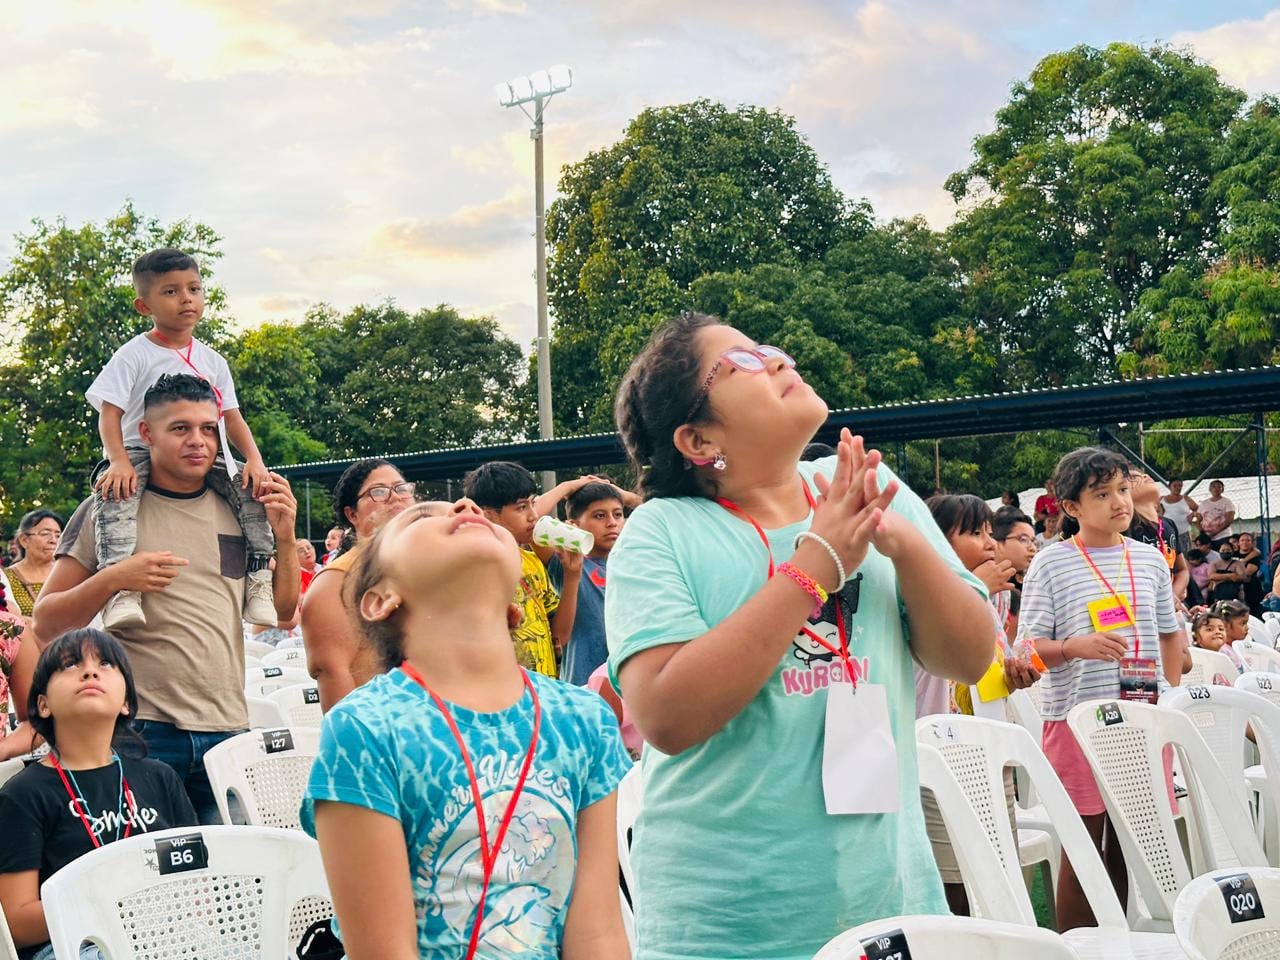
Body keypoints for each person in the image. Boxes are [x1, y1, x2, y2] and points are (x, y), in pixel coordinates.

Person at [606, 313, 992, 959]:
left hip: (886, 900)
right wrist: (818, 562)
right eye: (741, 363)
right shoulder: (663, 531)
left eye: (769, 350)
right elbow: (666, 714)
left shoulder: (873, 491)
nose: (778, 361)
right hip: (729, 920)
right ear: (699, 441)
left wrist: (907, 550)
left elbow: (970, 658)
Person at [303, 498, 631, 959]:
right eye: (422, 518)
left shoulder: (584, 720)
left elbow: (597, 933)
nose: (464, 505)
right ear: (381, 600)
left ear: (515, 601)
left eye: (472, 507)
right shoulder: (366, 728)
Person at [33, 374, 300, 823]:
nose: (198, 441)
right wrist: (115, 577)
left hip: (228, 729)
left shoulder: (240, 509)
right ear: (146, 434)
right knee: (147, 883)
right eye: (180, 428)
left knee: (231, 879)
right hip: (141, 731)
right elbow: (46, 622)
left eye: (208, 428)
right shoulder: (109, 507)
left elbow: (285, 612)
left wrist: (287, 538)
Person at [1020, 447, 1183, 931]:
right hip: (1075, 722)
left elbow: (1170, 633)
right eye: (1102, 494)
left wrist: (1169, 696)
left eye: (1123, 490)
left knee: (1130, 840)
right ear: (1071, 507)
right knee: (1084, 843)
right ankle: (1077, 946)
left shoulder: (1151, 560)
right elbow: (1025, 649)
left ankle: (1116, 939)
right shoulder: (1052, 564)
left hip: (1141, 720)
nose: (1120, 503)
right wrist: (1074, 646)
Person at [87, 249, 275, 632]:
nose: (186, 298)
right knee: (115, 499)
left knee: (253, 491)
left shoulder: (213, 361)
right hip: (142, 452)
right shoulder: (134, 356)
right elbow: (110, 413)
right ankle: (121, 588)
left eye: (194, 288)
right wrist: (118, 460)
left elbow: (231, 417)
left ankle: (258, 579)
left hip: (207, 454)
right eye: (170, 292)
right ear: (144, 305)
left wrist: (253, 460)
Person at [0, 629, 197, 960]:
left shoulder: (161, 777)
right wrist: (115, 898)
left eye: (106, 663)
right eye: (70, 665)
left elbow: (198, 881)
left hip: (167, 931)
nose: (90, 671)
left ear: (126, 703)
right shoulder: (23, 794)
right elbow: (16, 924)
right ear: (43, 705)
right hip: (76, 943)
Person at [918, 494, 1039, 916]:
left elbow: (985, 668)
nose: (990, 544)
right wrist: (974, 589)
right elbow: (939, 652)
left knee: (1000, 865)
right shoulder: (918, 595)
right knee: (956, 882)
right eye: (973, 533)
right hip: (940, 759)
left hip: (987, 750)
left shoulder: (990, 597)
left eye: (990, 532)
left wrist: (1013, 674)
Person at [462, 462, 603, 679]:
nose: (533, 516)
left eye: (531, 504)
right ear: (488, 515)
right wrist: (566, 487)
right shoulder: (470, 569)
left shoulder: (531, 561)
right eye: (521, 507)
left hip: (542, 694)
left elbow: (559, 636)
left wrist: (573, 574)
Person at [302, 459, 419, 711]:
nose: (394, 498)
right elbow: (338, 690)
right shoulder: (334, 583)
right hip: (384, 735)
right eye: (378, 491)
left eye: (401, 488)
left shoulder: (431, 564)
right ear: (352, 514)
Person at [549, 481, 628, 686]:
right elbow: (531, 526)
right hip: (582, 687)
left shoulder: (631, 562)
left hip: (627, 687)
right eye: (599, 516)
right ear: (573, 525)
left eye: (618, 514)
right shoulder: (568, 561)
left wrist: (623, 495)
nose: (612, 523)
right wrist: (569, 487)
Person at [2, 510, 63, 627]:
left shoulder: (68, 574)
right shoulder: (6, 579)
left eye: (58, 535)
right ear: (24, 540)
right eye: (45, 533)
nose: (53, 540)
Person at [992, 508, 1037, 641]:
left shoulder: (1007, 592)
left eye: (1033, 541)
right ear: (998, 543)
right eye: (1024, 540)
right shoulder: (975, 583)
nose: (1032, 548)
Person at [1191, 609, 1246, 677]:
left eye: (1221, 629)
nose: (1217, 632)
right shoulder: (1195, 657)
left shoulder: (1229, 654)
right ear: (1197, 637)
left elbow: (1239, 674)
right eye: (1210, 629)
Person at [1194, 480, 1236, 550]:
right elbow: (1198, 520)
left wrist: (1215, 532)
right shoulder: (1204, 503)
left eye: (1219, 487)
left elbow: (1229, 519)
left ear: (1222, 490)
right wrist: (1202, 532)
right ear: (1210, 489)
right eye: (1214, 487)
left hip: (1223, 536)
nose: (1216, 489)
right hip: (1207, 538)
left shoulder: (1227, 502)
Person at [1161, 480, 1198, 553]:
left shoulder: (1186, 498)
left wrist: (1193, 516)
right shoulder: (1161, 499)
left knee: (1185, 555)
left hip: (1183, 533)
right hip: (1166, 533)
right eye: (1175, 486)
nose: (1178, 488)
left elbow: (1198, 509)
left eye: (1180, 486)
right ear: (1169, 487)